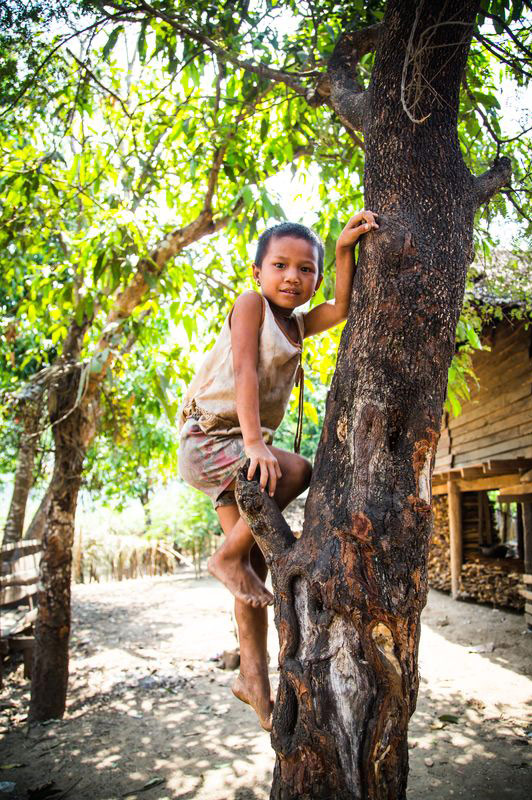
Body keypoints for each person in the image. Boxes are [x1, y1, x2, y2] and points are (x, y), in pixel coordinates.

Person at [178, 210, 379, 730]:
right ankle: (223, 558)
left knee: (254, 571)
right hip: (213, 438)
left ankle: (254, 683)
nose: (294, 277)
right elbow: (244, 369)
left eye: (306, 269)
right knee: (298, 470)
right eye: (281, 265)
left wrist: (341, 252)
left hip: (241, 454)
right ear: (257, 273)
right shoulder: (250, 306)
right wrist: (254, 442)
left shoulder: (296, 323)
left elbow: (339, 309)